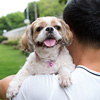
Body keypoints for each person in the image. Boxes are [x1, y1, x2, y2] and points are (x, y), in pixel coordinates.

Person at [0, 0, 100, 100]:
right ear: (31, 36)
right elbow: (25, 71)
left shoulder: (45, 89)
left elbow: (3, 85)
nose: (49, 30)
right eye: (39, 29)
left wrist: (63, 71)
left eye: (56, 27)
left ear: (68, 30)